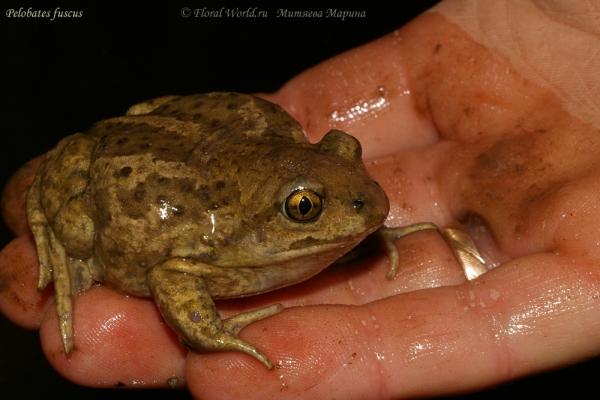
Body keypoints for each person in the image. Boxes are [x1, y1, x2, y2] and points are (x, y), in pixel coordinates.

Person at [1, 0, 599, 398]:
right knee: (77, 228)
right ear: (267, 219)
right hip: (128, 169)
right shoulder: (220, 240)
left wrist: (368, 232)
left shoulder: (324, 190)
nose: (367, 198)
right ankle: (57, 234)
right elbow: (173, 273)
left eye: (345, 155)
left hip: (205, 138)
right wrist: (209, 331)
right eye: (305, 209)